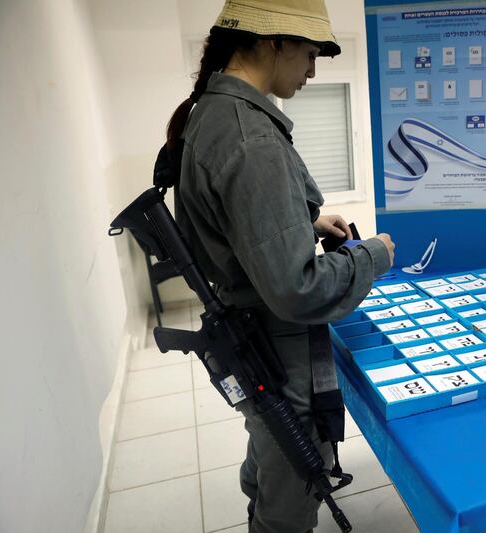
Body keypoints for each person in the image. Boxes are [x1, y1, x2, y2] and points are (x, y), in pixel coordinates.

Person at [161, 1, 395, 531]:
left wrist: (301, 226)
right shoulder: (252, 138)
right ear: (275, 43)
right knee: (288, 504)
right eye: (309, 54)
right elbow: (297, 289)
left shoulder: (211, 114)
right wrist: (373, 254)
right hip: (275, 348)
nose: (313, 70)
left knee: (268, 456)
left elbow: (223, 224)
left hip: (249, 339)